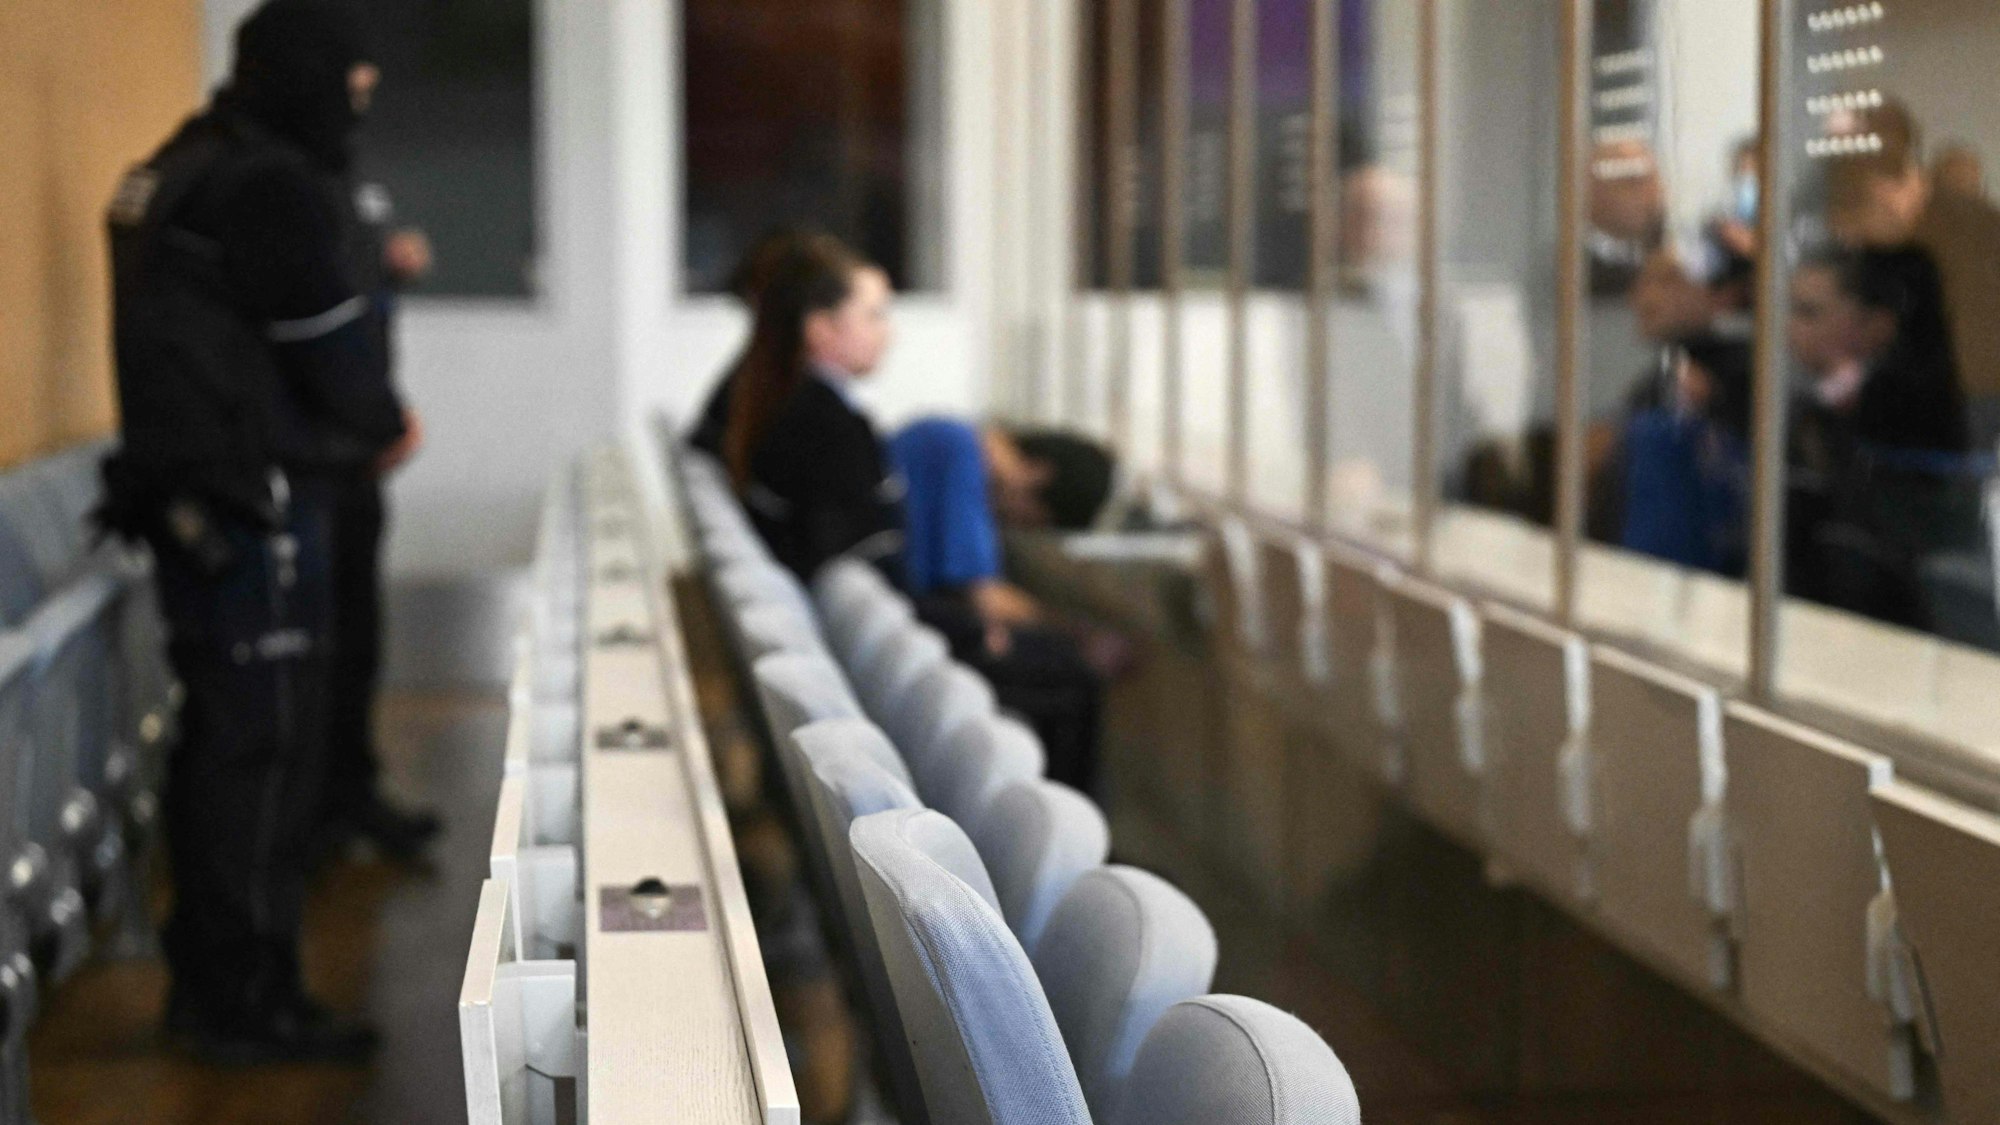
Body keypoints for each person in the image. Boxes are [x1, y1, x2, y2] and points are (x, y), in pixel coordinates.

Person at [100, 0, 405, 1063]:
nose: (354, 114)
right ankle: (249, 1000)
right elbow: (335, 355)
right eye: (349, 92)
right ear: (305, 79)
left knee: (224, 744)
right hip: (257, 500)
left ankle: (216, 983)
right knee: (263, 753)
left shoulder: (173, 163)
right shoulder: (267, 182)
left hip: (187, 496)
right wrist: (376, 420)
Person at [317, 177, 439, 863]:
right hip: (322, 464)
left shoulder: (353, 190)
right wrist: (380, 422)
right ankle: (322, 816)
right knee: (329, 648)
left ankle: (353, 793)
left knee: (359, 642)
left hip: (359, 459)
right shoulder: (287, 186)